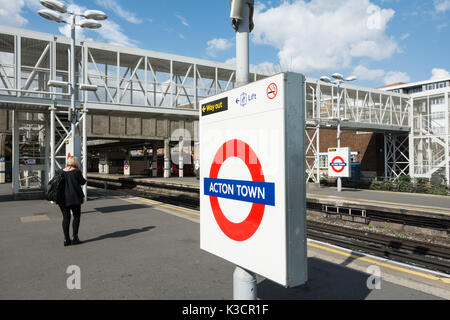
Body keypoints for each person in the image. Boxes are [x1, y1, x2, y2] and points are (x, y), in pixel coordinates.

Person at [58, 156, 87, 247]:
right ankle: (75, 238)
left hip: (62, 199)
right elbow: (82, 182)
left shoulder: (60, 171)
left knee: (66, 218)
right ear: (75, 163)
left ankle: (66, 239)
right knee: (76, 216)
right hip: (75, 198)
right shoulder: (76, 172)